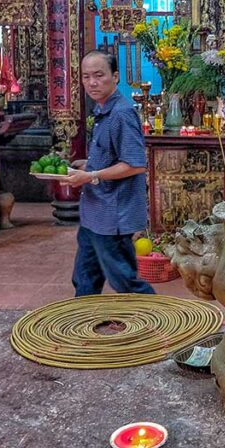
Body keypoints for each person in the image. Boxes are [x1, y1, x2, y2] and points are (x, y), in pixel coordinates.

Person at [62, 50, 155, 296]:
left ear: (115, 77)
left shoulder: (121, 113)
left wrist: (92, 176)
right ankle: (85, 325)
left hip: (113, 216)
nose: (92, 82)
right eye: (86, 77)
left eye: (99, 75)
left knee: (124, 281)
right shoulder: (102, 110)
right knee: (84, 279)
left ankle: (159, 324)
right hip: (94, 213)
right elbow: (111, 156)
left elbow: (135, 164)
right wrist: (88, 165)